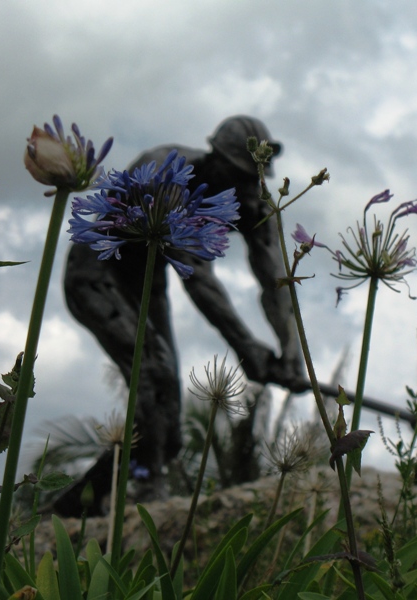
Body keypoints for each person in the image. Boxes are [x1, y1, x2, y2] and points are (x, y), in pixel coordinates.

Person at [57, 117, 304, 515]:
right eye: (235, 175)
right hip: (96, 271)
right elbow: (198, 278)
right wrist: (247, 347)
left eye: (250, 178)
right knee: (153, 376)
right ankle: (145, 490)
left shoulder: (253, 200)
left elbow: (275, 278)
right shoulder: (167, 170)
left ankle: (75, 504)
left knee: (167, 418)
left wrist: (290, 349)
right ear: (214, 158)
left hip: (146, 283)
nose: (240, 188)